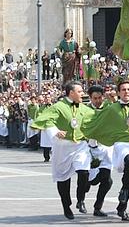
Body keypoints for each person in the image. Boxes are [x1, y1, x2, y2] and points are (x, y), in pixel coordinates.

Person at [82, 80, 129, 221]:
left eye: (128, 89)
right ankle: (123, 190)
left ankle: (122, 206)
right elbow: (98, 119)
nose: (126, 92)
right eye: (123, 90)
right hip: (121, 143)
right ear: (119, 93)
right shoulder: (112, 108)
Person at [31, 81, 93, 220]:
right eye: (80, 91)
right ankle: (66, 205)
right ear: (71, 93)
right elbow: (46, 119)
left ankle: (81, 198)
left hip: (80, 144)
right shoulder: (58, 107)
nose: (82, 93)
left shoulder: (84, 108)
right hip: (63, 146)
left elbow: (97, 118)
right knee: (63, 177)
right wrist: (55, 131)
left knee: (84, 172)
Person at [86, 85, 113, 217]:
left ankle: (98, 207)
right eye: (95, 98)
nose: (98, 101)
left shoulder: (108, 108)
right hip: (89, 150)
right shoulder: (84, 110)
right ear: (90, 98)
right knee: (89, 181)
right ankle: (81, 199)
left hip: (105, 148)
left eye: (100, 98)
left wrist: (112, 99)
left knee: (107, 181)